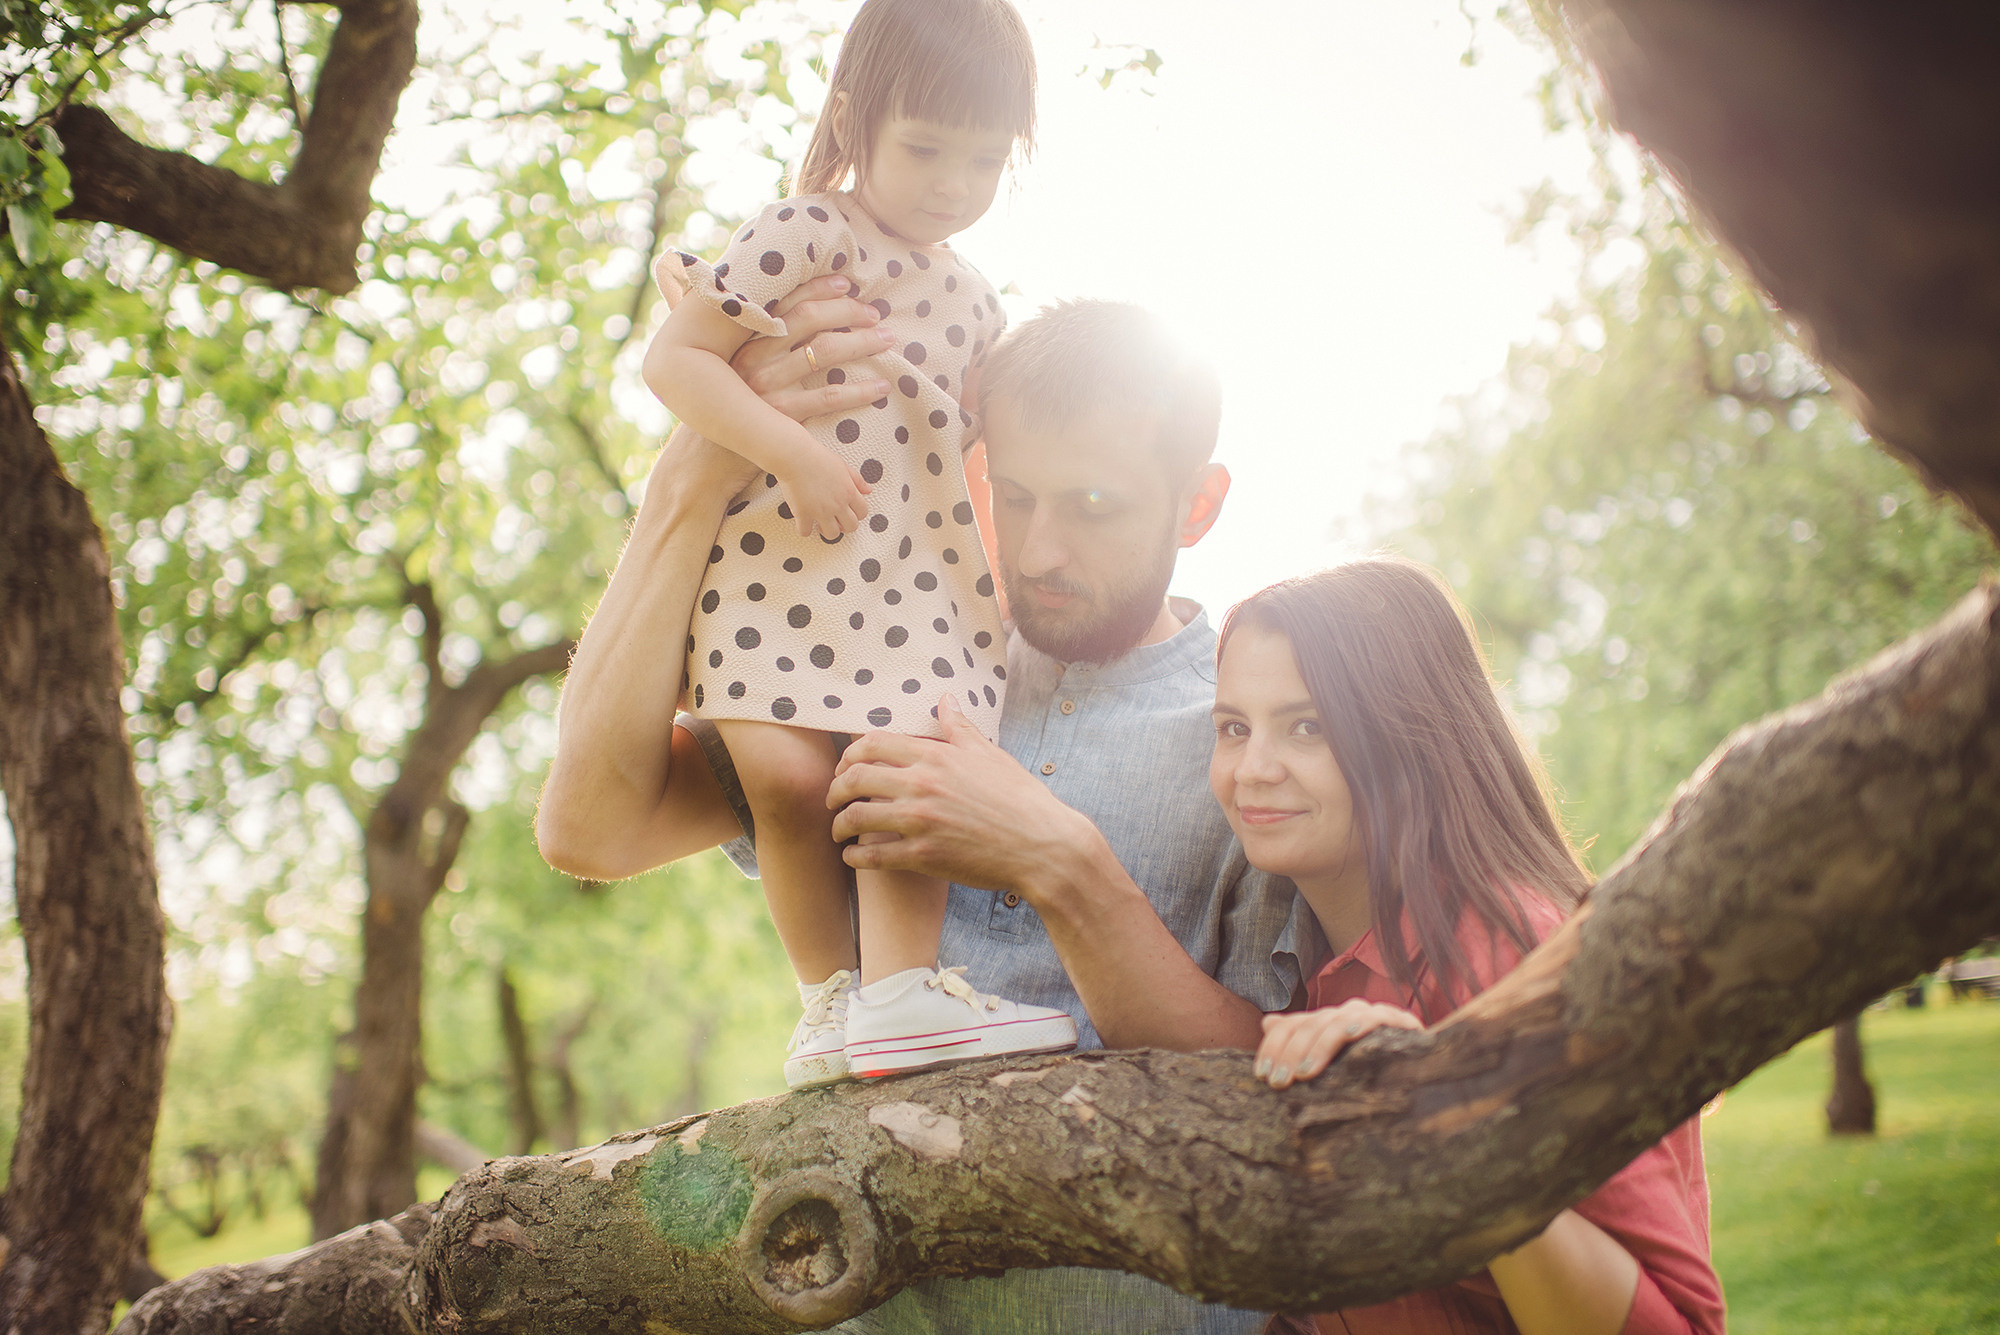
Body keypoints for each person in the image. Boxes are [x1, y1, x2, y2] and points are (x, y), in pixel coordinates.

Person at [540, 296, 1315, 1332]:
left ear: (1195, 506)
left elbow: (1287, 1097)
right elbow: (588, 824)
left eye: (1092, 506)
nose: (1037, 551)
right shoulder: (884, 647)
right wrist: (694, 474)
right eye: (1013, 494)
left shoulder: (1254, 731)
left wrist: (1061, 862)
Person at [639, 0, 1076, 1089]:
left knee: (905, 767)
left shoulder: (975, 301)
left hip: (910, 583)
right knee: (783, 783)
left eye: (982, 162)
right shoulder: (805, 231)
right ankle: (830, 1006)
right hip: (775, 566)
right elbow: (675, 365)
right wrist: (789, 450)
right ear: (854, 116)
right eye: (926, 149)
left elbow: (976, 439)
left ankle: (899, 995)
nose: (948, 186)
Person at [1211, 560, 1725, 1335]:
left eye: (1307, 726)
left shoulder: (1519, 952)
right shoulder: (1312, 959)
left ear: (1407, 735)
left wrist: (1445, 1119)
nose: (1253, 769)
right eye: (1233, 728)